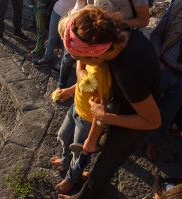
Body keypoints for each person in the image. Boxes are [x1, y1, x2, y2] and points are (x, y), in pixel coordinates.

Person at [57, 5, 161, 199]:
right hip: (122, 104)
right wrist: (81, 73)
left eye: (81, 60)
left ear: (96, 56)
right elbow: (83, 53)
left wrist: (104, 116)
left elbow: (153, 121)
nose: (81, 66)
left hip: (136, 120)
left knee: (106, 164)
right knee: (99, 144)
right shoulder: (109, 31)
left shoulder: (128, 72)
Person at [50, 31, 112, 193]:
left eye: (78, 57)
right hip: (75, 108)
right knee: (64, 136)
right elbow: (83, 84)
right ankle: (65, 161)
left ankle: (72, 178)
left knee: (80, 154)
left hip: (88, 121)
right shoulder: (89, 62)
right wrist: (71, 91)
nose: (77, 61)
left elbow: (100, 114)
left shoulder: (101, 75)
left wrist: (91, 140)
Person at [146, 0, 182, 160]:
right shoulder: (181, 3)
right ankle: (132, 136)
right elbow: (158, 33)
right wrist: (157, 59)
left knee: (167, 114)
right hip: (164, 68)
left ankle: (153, 141)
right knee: (148, 104)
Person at [56, 0, 150, 90]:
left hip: (119, 48)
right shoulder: (94, 54)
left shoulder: (127, 71)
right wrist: (79, 69)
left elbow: (143, 20)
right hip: (98, 48)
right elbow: (87, 16)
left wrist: (110, 25)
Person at [32, 0, 76, 74]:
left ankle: (61, 62)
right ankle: (46, 58)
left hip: (72, 14)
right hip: (57, 9)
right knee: (52, 36)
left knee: (65, 39)